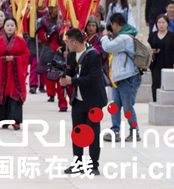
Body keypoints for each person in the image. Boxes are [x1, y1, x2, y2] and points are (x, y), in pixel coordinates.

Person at [58, 27, 107, 176]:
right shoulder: (72, 55)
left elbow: (92, 78)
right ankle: (77, 163)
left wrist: (71, 81)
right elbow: (70, 72)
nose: (66, 44)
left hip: (93, 101)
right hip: (78, 100)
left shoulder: (94, 55)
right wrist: (63, 77)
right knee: (78, 132)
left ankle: (94, 165)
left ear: (74, 42)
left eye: (67, 42)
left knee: (93, 133)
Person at [100, 12, 141, 142]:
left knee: (128, 106)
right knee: (114, 105)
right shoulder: (123, 36)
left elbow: (107, 47)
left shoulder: (124, 38)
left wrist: (105, 36)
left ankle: (135, 132)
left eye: (111, 27)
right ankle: (115, 131)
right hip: (119, 78)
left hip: (127, 78)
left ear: (115, 25)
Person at [0, 18, 28, 130]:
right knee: (2, 94)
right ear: (4, 27)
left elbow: (25, 56)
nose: (10, 27)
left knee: (15, 96)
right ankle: (3, 121)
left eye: (12, 25)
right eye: (7, 25)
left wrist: (14, 59)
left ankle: (16, 121)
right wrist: (4, 60)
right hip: (1, 73)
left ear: (15, 27)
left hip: (15, 74)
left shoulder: (21, 41)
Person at [147, 14, 174, 101]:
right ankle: (156, 101)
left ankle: (169, 101)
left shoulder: (172, 35)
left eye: (163, 22)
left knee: (169, 84)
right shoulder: (152, 35)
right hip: (156, 64)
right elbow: (147, 48)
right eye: (159, 23)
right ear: (156, 24)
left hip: (169, 63)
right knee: (156, 83)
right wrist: (152, 51)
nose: (161, 25)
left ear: (167, 24)